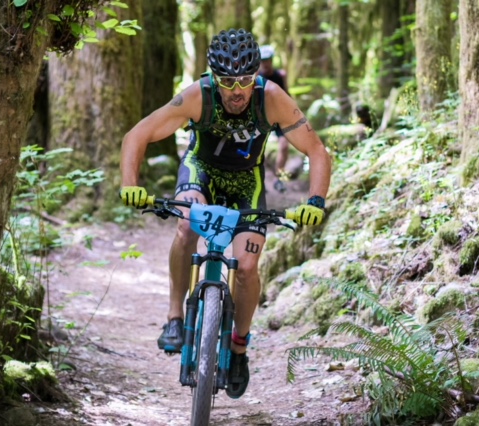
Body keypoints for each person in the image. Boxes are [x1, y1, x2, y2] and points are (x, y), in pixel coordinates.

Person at [119, 28, 331, 399]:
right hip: (201, 171)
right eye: (227, 80)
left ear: (257, 76)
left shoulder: (272, 98)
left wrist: (315, 201)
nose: (237, 90)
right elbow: (136, 135)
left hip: (247, 180)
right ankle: (174, 316)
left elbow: (316, 150)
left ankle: (239, 347)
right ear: (213, 76)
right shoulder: (197, 95)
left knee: (247, 268)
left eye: (246, 80)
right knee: (187, 226)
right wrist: (129, 183)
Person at [258, 45, 292, 192]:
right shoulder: (256, 77)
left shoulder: (280, 76)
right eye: (262, 60)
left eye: (267, 60)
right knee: (256, 150)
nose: (265, 63)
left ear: (272, 60)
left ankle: (279, 179)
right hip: (261, 117)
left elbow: (287, 95)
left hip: (278, 117)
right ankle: (258, 182)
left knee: (284, 147)